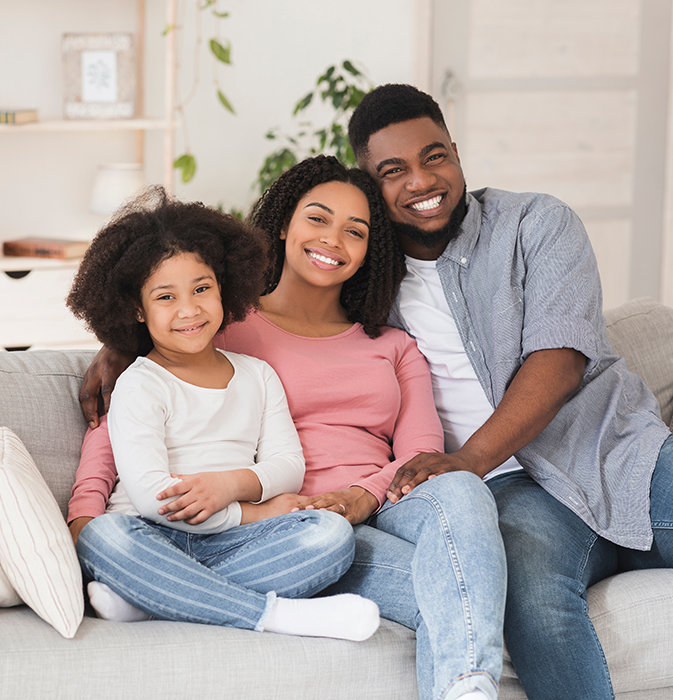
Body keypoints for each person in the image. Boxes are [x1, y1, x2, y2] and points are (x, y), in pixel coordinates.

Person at [346, 83, 673, 700]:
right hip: (510, 493)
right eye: (393, 171)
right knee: (535, 611)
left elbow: (560, 361)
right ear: (368, 182)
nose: (420, 180)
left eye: (434, 156)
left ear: (457, 153)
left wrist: (465, 461)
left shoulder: (536, 223)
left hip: (617, 446)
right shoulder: (364, 281)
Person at [73, 157, 505, 700]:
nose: (333, 239)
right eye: (318, 219)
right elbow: (124, 419)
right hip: (279, 524)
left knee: (461, 490)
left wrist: (359, 497)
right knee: (450, 597)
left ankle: (467, 685)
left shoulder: (393, 345)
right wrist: (85, 514)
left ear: (373, 249)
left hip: (377, 504)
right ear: (283, 223)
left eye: (356, 231)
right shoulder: (219, 322)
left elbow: (422, 455)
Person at [64, 187, 382, 643]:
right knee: (104, 539)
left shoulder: (258, 376)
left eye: (201, 289)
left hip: (234, 547)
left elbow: (288, 467)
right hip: (152, 534)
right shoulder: (140, 382)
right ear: (136, 309)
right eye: (165, 297)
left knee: (330, 537)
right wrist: (252, 513)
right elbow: (156, 500)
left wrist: (228, 485)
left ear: (224, 287)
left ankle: (153, 600)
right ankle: (274, 616)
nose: (189, 310)